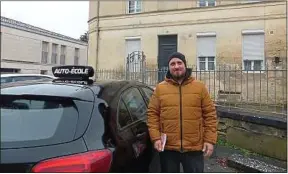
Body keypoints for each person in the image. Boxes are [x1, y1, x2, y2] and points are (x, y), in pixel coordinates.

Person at [147, 52, 217, 173]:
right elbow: (152, 114)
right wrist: (156, 138)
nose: (176, 66)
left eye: (179, 63)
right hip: (169, 148)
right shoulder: (160, 88)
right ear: (169, 67)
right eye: (172, 64)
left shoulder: (199, 87)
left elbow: (210, 114)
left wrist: (209, 140)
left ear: (185, 65)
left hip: (194, 147)